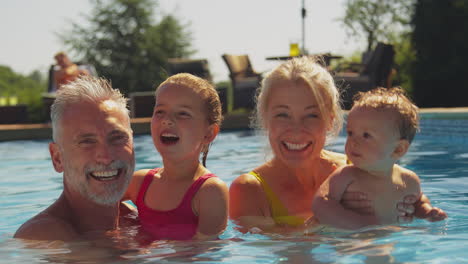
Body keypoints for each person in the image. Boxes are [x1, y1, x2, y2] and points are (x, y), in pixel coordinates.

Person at [229, 57, 446, 233]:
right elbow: (257, 251)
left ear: (331, 120)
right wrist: (335, 224)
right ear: (265, 119)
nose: (296, 129)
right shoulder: (249, 190)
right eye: (282, 114)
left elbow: (407, 191)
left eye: (312, 115)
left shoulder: (358, 167)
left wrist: (417, 209)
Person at [14, 75, 136, 241]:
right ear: (57, 158)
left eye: (117, 138)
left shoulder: (133, 219)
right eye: (87, 142)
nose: (106, 157)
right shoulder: (43, 235)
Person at [312, 87, 447, 229]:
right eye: (350, 133)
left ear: (398, 149)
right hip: (350, 243)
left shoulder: (409, 180)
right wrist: (359, 223)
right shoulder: (346, 175)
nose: (353, 141)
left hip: (389, 240)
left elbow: (418, 200)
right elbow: (321, 204)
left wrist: (425, 211)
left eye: (366, 135)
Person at [122, 73, 228, 240]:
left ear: (208, 133)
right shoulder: (139, 183)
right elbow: (93, 206)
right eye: (160, 111)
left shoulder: (209, 192)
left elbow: (206, 252)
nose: (167, 120)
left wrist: (152, 251)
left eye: (183, 114)